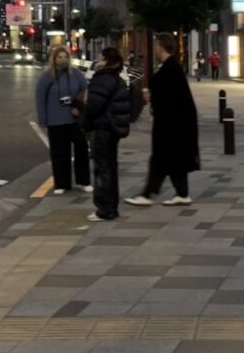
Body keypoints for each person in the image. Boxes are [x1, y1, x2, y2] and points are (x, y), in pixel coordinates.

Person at [127, 33, 199, 206]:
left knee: (161, 158)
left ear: (161, 47)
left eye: (156, 46)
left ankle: (148, 194)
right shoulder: (172, 67)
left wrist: (149, 96)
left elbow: (167, 97)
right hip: (177, 123)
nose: (154, 49)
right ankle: (181, 193)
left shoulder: (169, 69)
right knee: (173, 159)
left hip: (170, 124)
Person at [82, 47, 131, 221]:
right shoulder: (118, 80)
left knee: (102, 169)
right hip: (114, 129)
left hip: (102, 128)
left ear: (108, 62)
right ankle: (111, 206)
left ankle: (105, 209)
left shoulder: (102, 80)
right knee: (110, 167)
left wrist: (85, 124)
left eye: (101, 59)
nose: (98, 62)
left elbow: (93, 106)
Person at [34, 48, 91, 195]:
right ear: (54, 59)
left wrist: (78, 107)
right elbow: (40, 98)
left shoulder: (76, 74)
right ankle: (61, 183)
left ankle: (83, 181)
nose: (62, 59)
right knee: (59, 152)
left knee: (82, 148)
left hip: (74, 119)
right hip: (55, 119)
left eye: (65, 57)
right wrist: (42, 118)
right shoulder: (47, 77)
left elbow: (84, 90)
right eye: (59, 57)